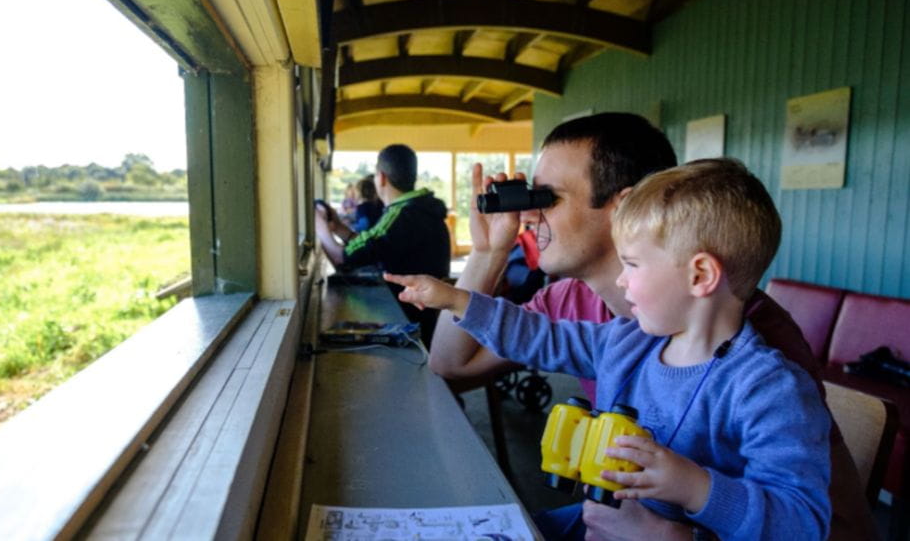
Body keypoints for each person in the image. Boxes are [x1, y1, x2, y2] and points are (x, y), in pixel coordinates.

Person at [427, 113, 873, 540]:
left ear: (623, 205)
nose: (526, 216)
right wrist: (488, 254)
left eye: (547, 199)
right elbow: (450, 364)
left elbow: (825, 525)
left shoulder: (755, 345)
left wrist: (676, 537)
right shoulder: (574, 299)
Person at [316, 144, 450, 345]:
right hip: (425, 317)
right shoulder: (417, 210)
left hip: (410, 322)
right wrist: (337, 227)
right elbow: (372, 244)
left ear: (382, 177)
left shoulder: (402, 215)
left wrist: (319, 226)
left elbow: (342, 258)